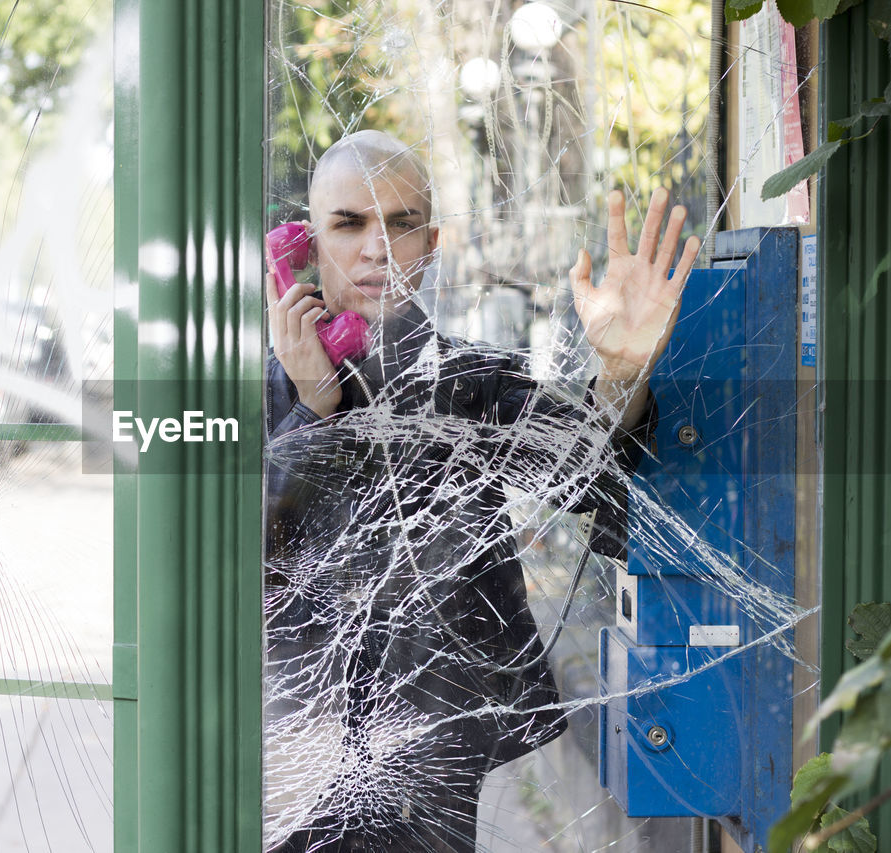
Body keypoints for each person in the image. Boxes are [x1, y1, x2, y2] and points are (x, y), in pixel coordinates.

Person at [262, 130, 699, 852]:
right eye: (350, 223)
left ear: (430, 243)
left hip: (432, 758)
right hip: (288, 746)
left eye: (401, 224)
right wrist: (311, 407)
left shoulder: (473, 385)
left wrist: (621, 371)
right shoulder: (258, 393)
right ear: (304, 246)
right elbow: (236, 563)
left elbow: (587, 469)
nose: (377, 249)